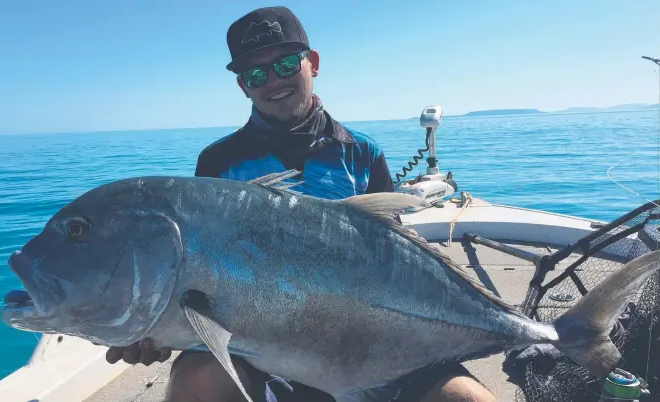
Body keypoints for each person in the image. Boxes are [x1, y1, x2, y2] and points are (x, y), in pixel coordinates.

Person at [105, 6, 497, 402]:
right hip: (263, 355)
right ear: (243, 87)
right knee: (194, 383)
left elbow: (395, 256)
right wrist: (152, 326)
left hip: (379, 344)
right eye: (255, 74)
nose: (272, 80)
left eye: (286, 63)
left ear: (313, 63)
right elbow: (201, 280)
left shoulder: (361, 152)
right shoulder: (218, 163)